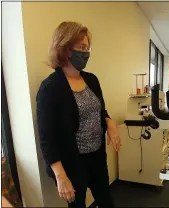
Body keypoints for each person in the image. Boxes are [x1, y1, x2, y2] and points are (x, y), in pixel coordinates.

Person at [36, 21, 120, 208]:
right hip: (73, 163)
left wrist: (110, 124)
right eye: (82, 47)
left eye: (88, 48)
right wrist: (61, 176)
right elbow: (47, 139)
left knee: (106, 202)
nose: (86, 53)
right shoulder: (50, 88)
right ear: (65, 49)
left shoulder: (92, 80)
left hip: (97, 157)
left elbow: (101, 111)